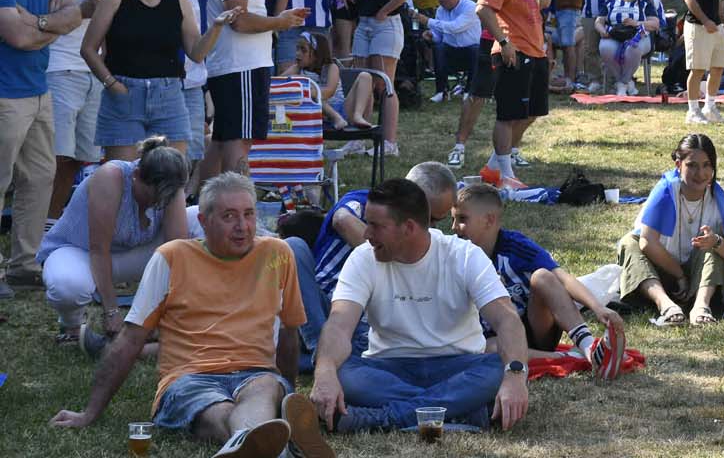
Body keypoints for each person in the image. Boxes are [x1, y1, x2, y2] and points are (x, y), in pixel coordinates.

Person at [50, 172, 329, 458]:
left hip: (256, 371)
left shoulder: (276, 253)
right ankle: (277, 445)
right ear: (204, 222)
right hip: (190, 376)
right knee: (211, 406)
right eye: (229, 216)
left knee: (265, 387)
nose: (242, 226)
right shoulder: (172, 257)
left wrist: (290, 394)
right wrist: (89, 413)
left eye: (248, 214)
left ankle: (252, 441)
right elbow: (131, 339)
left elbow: (288, 333)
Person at [309, 177, 530, 433]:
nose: (366, 234)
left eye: (375, 226)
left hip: (458, 365)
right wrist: (325, 372)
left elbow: (507, 319)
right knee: (344, 372)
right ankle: (460, 413)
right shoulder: (363, 258)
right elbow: (338, 324)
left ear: (409, 228)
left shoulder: (464, 255)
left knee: (495, 369)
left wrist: (515, 375)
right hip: (388, 367)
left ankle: (380, 420)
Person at [286, 162, 456, 372]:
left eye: (436, 220)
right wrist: (390, 250)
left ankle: (317, 360)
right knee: (292, 247)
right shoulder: (367, 201)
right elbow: (342, 219)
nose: (428, 226)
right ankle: (319, 353)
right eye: (427, 217)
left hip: (362, 322)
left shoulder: (431, 243)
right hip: (319, 305)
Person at [83, 0, 239, 161]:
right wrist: (112, 84)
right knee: (125, 176)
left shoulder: (179, 3)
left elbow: (196, 53)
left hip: (169, 94)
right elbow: (88, 49)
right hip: (124, 94)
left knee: (172, 175)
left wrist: (216, 27)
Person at [0, 0, 84, 298]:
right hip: (5, 91)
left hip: (37, 86)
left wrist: (33, 21)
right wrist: (45, 24)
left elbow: (74, 12)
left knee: (39, 177)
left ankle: (23, 266)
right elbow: (13, 36)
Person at [452, 182, 626, 377]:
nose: (453, 227)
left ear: (489, 220)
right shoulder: (456, 256)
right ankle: (572, 357)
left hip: (535, 329)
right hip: (496, 337)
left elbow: (562, 277)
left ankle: (587, 346)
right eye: (454, 219)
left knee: (543, 276)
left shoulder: (515, 246)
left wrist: (598, 308)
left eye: (462, 219)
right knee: (483, 348)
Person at [40, 137, 189, 349]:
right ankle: (72, 327)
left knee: (202, 219)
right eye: (152, 196)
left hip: (131, 253)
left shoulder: (170, 181)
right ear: (137, 176)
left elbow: (178, 251)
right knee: (68, 286)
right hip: (82, 251)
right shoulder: (111, 176)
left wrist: (162, 315)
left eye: (164, 199)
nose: (157, 203)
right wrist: (112, 312)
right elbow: (99, 249)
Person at [201, 0, 307, 182]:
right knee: (239, 143)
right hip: (240, 67)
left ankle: (203, 203)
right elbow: (241, 20)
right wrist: (279, 22)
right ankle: (235, 207)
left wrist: (279, 18)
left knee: (223, 141)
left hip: (239, 66)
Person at [149, 0, 248, 196]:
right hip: (162, 80)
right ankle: (161, 199)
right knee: (161, 150)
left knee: (191, 152)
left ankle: (180, 200)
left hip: (192, 83)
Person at [616, 133, 724, 325]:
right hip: (661, 273)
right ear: (678, 165)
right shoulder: (666, 191)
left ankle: (701, 307)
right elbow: (647, 242)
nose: (700, 174)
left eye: (706, 165)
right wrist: (680, 275)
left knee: (713, 246)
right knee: (629, 242)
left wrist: (716, 242)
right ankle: (666, 305)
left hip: (700, 279)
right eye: (692, 165)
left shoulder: (718, 200)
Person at [44, 0, 112, 223]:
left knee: (77, 159)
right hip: (58, 68)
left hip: (91, 71)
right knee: (53, 157)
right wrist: (82, 10)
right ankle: (37, 230)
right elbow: (32, 16)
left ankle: (51, 225)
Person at [475, 0, 548, 186]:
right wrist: (504, 43)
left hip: (535, 51)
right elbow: (482, 8)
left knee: (533, 111)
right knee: (508, 114)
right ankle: (505, 175)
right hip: (513, 52)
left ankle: (495, 166)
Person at [351, 0, 411, 158]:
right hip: (364, 24)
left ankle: (389, 142)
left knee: (383, 83)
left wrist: (385, 10)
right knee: (361, 80)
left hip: (385, 26)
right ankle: (358, 138)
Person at [595, 0, 658, 97]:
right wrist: (602, 31)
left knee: (633, 49)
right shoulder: (611, 2)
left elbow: (655, 24)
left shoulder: (645, 3)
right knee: (605, 48)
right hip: (615, 35)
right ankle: (626, 82)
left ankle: (621, 84)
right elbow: (599, 21)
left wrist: (636, 23)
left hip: (639, 35)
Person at [417, 0, 481, 104]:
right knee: (438, 47)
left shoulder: (471, 7)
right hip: (450, 50)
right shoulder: (441, 10)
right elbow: (439, 35)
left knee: (476, 50)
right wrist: (431, 36)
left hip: (470, 52)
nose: (439, 1)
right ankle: (442, 91)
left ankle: (469, 91)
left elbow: (455, 27)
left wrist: (428, 21)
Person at [295, 31, 374, 130]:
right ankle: (336, 118)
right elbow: (279, 81)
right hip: (318, 114)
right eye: (297, 48)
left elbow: (329, 92)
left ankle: (357, 115)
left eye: (303, 50)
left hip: (342, 110)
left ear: (317, 53)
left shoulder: (331, 67)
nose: (298, 53)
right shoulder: (297, 68)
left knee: (365, 76)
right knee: (312, 95)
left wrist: (307, 91)